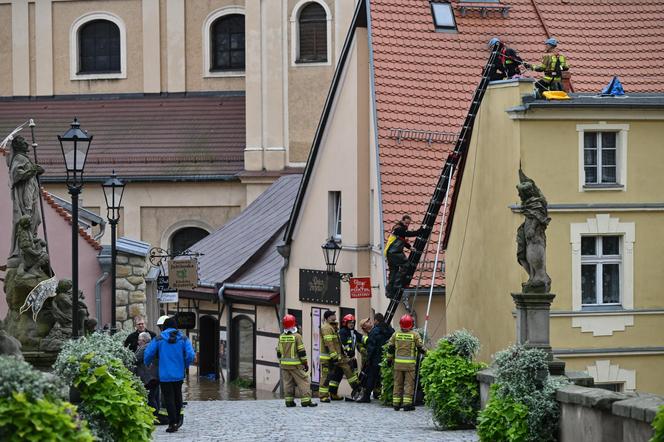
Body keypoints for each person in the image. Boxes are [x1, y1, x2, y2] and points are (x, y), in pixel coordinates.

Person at [144, 316, 195, 433]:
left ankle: (173, 422)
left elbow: (148, 353)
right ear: (175, 327)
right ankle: (178, 418)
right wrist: (185, 365)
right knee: (178, 395)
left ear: (164, 327)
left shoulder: (158, 339)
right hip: (178, 374)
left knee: (168, 398)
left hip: (165, 374)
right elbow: (191, 355)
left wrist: (148, 363)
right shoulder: (183, 338)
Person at [276, 314, 317, 407]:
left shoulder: (281, 336)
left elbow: (278, 352)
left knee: (288, 383)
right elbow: (301, 352)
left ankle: (289, 401)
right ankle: (306, 401)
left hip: (284, 365)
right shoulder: (297, 336)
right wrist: (305, 363)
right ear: (294, 324)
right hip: (296, 365)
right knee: (303, 381)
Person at [387, 314, 426, 411]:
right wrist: (430, 354)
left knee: (397, 383)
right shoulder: (414, 335)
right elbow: (421, 348)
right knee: (408, 384)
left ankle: (396, 404)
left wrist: (389, 360)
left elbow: (390, 348)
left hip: (398, 365)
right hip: (410, 365)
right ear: (411, 325)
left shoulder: (396, 334)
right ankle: (407, 404)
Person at [384, 215, 425, 299]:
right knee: (406, 265)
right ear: (402, 221)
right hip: (395, 252)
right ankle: (397, 285)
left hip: (390, 253)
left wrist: (410, 247)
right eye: (406, 223)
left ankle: (390, 291)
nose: (407, 225)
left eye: (408, 224)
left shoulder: (397, 228)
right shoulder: (399, 229)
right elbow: (409, 234)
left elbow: (402, 240)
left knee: (393, 271)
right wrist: (421, 230)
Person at [357, 313, 394, 403]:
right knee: (385, 377)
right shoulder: (390, 330)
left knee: (371, 377)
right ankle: (387, 397)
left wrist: (369, 359)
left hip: (375, 358)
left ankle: (366, 396)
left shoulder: (374, 331)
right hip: (387, 358)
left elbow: (371, 347)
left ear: (376, 320)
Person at [134, 332, 160, 413]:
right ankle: (157, 413)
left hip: (148, 377)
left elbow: (135, 359)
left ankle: (155, 415)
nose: (138, 342)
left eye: (139, 340)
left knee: (150, 397)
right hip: (155, 376)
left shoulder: (144, 348)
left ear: (144, 341)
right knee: (155, 396)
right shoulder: (152, 346)